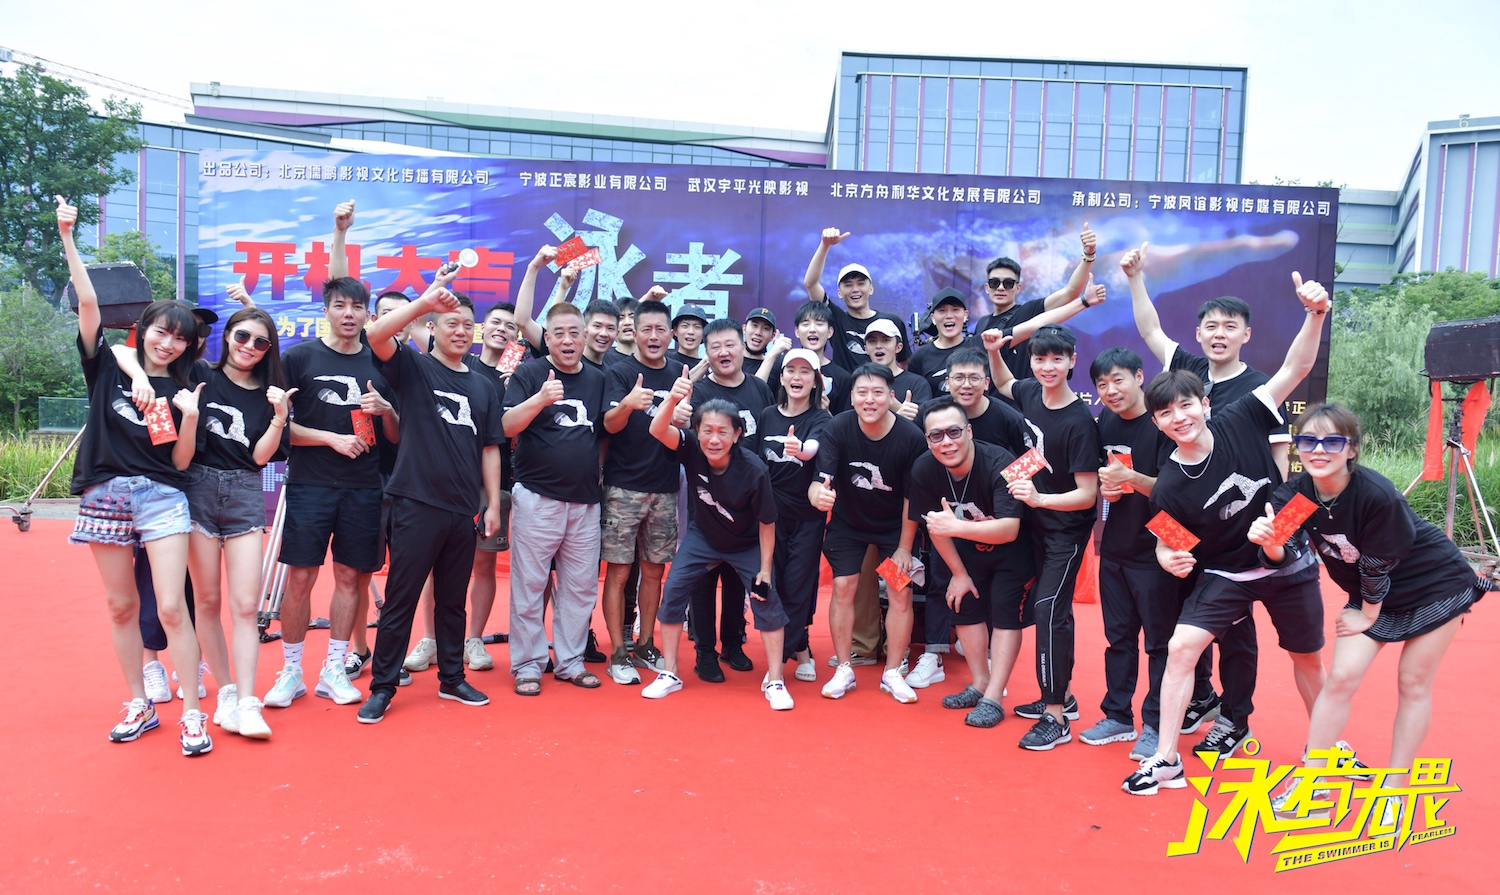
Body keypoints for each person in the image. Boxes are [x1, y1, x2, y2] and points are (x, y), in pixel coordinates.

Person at [1123, 272, 1332, 796]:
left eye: (1186, 406)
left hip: (1287, 557)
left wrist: (1314, 314)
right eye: (1166, 413)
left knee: (1306, 659)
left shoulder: (1244, 414)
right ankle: (1166, 759)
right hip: (1229, 572)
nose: (1179, 417)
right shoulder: (1167, 486)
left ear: (1206, 405)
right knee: (1181, 647)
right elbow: (1167, 540)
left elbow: (1297, 367)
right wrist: (1168, 557)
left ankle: (1326, 750)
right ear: (1157, 423)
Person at [1261, 404, 1488, 821]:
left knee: (1413, 682)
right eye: (1309, 440)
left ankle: (1394, 791)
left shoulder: (1375, 494)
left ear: (1351, 449)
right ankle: (1313, 784)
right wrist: (1270, 543)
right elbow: (1282, 551)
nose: (1319, 450)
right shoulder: (1297, 495)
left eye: (1332, 441)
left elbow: (1376, 565)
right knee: (1341, 678)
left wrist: (1367, 615)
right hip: (1371, 593)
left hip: (1433, 584)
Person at [58, 196, 211, 756]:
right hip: (104, 494)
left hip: (162, 498)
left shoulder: (183, 389)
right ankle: (139, 703)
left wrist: (189, 417)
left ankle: (192, 713)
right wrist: (68, 237)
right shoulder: (105, 367)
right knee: (121, 606)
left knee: (171, 606)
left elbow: (179, 463)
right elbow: (89, 303)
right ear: (143, 330)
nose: (168, 343)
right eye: (160, 332)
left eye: (180, 338)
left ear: (188, 345)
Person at [1125, 242, 1273, 755]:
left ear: (1246, 334)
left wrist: (1276, 524)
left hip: (1243, 534)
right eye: (1211, 325)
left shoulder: (1257, 390)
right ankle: (1201, 696)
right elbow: (1150, 330)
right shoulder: (1185, 371)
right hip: (1189, 526)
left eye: (1230, 326)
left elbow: (1276, 463)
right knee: (1188, 618)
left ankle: (1236, 717)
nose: (1219, 334)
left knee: (1238, 630)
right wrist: (1136, 277)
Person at [356, 272, 504, 723]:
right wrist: (423, 302)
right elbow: (375, 334)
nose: (460, 331)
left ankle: (452, 678)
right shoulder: (415, 368)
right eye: (450, 323)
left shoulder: (484, 386)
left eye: (467, 325)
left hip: (463, 509)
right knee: (401, 598)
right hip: (416, 502)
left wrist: (492, 503)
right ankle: (383, 686)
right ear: (433, 329)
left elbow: (490, 447)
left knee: (452, 600)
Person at [266, 271, 399, 711]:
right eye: (340, 306)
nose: (348, 314)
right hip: (310, 484)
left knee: (349, 578)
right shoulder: (299, 358)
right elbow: (277, 426)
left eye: (357, 307)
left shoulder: (380, 363)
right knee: (301, 577)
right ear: (326, 311)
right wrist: (330, 438)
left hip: (364, 486)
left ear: (368, 314)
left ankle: (335, 668)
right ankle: (291, 671)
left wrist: (387, 410)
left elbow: (396, 436)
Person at [985, 325, 1102, 751]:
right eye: (1040, 359)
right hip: (1034, 528)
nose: (1047, 367)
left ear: (1072, 361)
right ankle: (1062, 696)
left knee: (1049, 611)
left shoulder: (1080, 422)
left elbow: (1087, 494)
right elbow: (1003, 383)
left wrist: (1038, 499)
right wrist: (994, 351)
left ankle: (1056, 717)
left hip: (1065, 535)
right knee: (1048, 610)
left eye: (1057, 359)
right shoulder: (1032, 392)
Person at [642, 390, 790, 709]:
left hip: (746, 543)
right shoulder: (691, 448)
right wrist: (671, 401)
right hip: (704, 537)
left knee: (765, 597)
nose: (713, 439)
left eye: (722, 431)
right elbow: (657, 429)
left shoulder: (754, 469)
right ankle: (670, 673)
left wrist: (765, 569)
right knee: (673, 591)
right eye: (707, 430)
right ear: (696, 431)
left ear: (737, 434)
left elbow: (767, 523)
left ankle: (776, 680)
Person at [905, 347, 1029, 689]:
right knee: (949, 588)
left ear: (987, 382)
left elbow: (1028, 460)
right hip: (956, 530)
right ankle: (950, 664)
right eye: (958, 377)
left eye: (974, 377)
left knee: (1001, 602)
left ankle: (992, 685)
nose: (966, 384)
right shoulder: (930, 441)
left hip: (1002, 520)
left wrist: (1017, 495)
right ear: (947, 382)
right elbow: (934, 522)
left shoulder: (1007, 421)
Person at [503, 301, 608, 696]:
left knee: (580, 588)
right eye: (558, 333)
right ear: (546, 339)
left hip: (585, 502)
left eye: (574, 333)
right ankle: (528, 664)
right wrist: (540, 400)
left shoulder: (598, 379)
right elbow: (505, 425)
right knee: (530, 585)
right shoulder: (530, 373)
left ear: (585, 337)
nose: (567, 340)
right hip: (537, 497)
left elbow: (604, 434)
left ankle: (570, 662)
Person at [1076, 348, 1175, 758]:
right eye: (1102, 384)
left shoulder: (1163, 422)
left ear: (1139, 376)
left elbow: (1174, 489)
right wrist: (1110, 487)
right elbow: (1108, 481)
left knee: (1159, 644)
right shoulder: (1106, 420)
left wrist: (1130, 477)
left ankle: (1156, 724)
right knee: (1118, 639)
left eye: (1118, 380)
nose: (1110, 390)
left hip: (1159, 550)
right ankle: (1117, 715)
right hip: (1115, 546)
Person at [809, 363, 926, 704]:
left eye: (877, 392)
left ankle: (893, 672)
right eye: (862, 392)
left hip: (894, 528)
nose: (869, 400)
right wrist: (817, 496)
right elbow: (821, 480)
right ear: (852, 397)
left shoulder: (910, 437)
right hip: (849, 526)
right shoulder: (838, 428)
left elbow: (912, 499)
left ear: (891, 396)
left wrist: (904, 547)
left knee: (899, 592)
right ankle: (844, 668)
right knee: (844, 587)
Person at [685, 319, 775, 680]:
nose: (724, 352)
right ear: (706, 353)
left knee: (738, 579)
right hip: (707, 500)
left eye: (730, 345)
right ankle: (704, 652)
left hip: (748, 501)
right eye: (715, 347)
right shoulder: (699, 392)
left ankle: (733, 644)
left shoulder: (759, 388)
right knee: (703, 580)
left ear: (742, 347)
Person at [599, 298, 680, 684]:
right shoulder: (619, 372)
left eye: (660, 329)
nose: (653, 336)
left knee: (653, 572)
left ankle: (646, 643)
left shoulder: (680, 373)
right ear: (633, 332)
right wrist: (629, 405)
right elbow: (609, 425)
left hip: (665, 488)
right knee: (618, 573)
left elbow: (687, 431)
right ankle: (618, 650)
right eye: (645, 329)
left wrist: (685, 416)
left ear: (671, 334)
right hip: (623, 488)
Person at [755, 349, 834, 683]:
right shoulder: (766, 415)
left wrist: (798, 450)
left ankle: (783, 654)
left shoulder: (821, 419)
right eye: (791, 370)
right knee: (773, 581)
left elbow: (813, 448)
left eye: (805, 372)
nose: (797, 377)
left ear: (816, 381)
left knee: (799, 584)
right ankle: (800, 647)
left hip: (806, 517)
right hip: (770, 516)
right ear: (782, 376)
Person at [973, 222, 1098, 381]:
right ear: (986, 287)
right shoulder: (982, 323)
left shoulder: (1029, 311)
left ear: (1018, 288)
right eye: (994, 283)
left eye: (1008, 283)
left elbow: (1070, 292)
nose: (1001, 288)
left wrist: (1088, 255)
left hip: (1019, 394)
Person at [802, 228, 911, 372]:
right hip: (847, 387)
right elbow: (811, 283)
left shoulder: (892, 322)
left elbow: (905, 364)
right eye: (848, 285)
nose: (855, 289)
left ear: (871, 289)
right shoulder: (836, 320)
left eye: (861, 283)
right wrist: (825, 245)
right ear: (839, 293)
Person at [759, 301, 851, 414]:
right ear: (797, 331)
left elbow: (844, 422)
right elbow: (754, 394)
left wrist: (826, 413)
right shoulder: (782, 365)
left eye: (819, 324)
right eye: (806, 324)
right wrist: (772, 355)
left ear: (830, 332)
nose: (812, 329)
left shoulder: (842, 378)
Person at [862, 319, 930, 421]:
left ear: (898, 347)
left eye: (886, 340)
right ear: (866, 349)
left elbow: (925, 424)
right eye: (872, 341)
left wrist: (898, 408)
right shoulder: (860, 384)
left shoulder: (917, 384)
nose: (878, 346)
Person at [742, 307, 779, 378]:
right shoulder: (731, 361)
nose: (758, 333)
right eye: (754, 325)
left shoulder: (774, 368)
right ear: (744, 328)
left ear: (772, 336)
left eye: (766, 328)